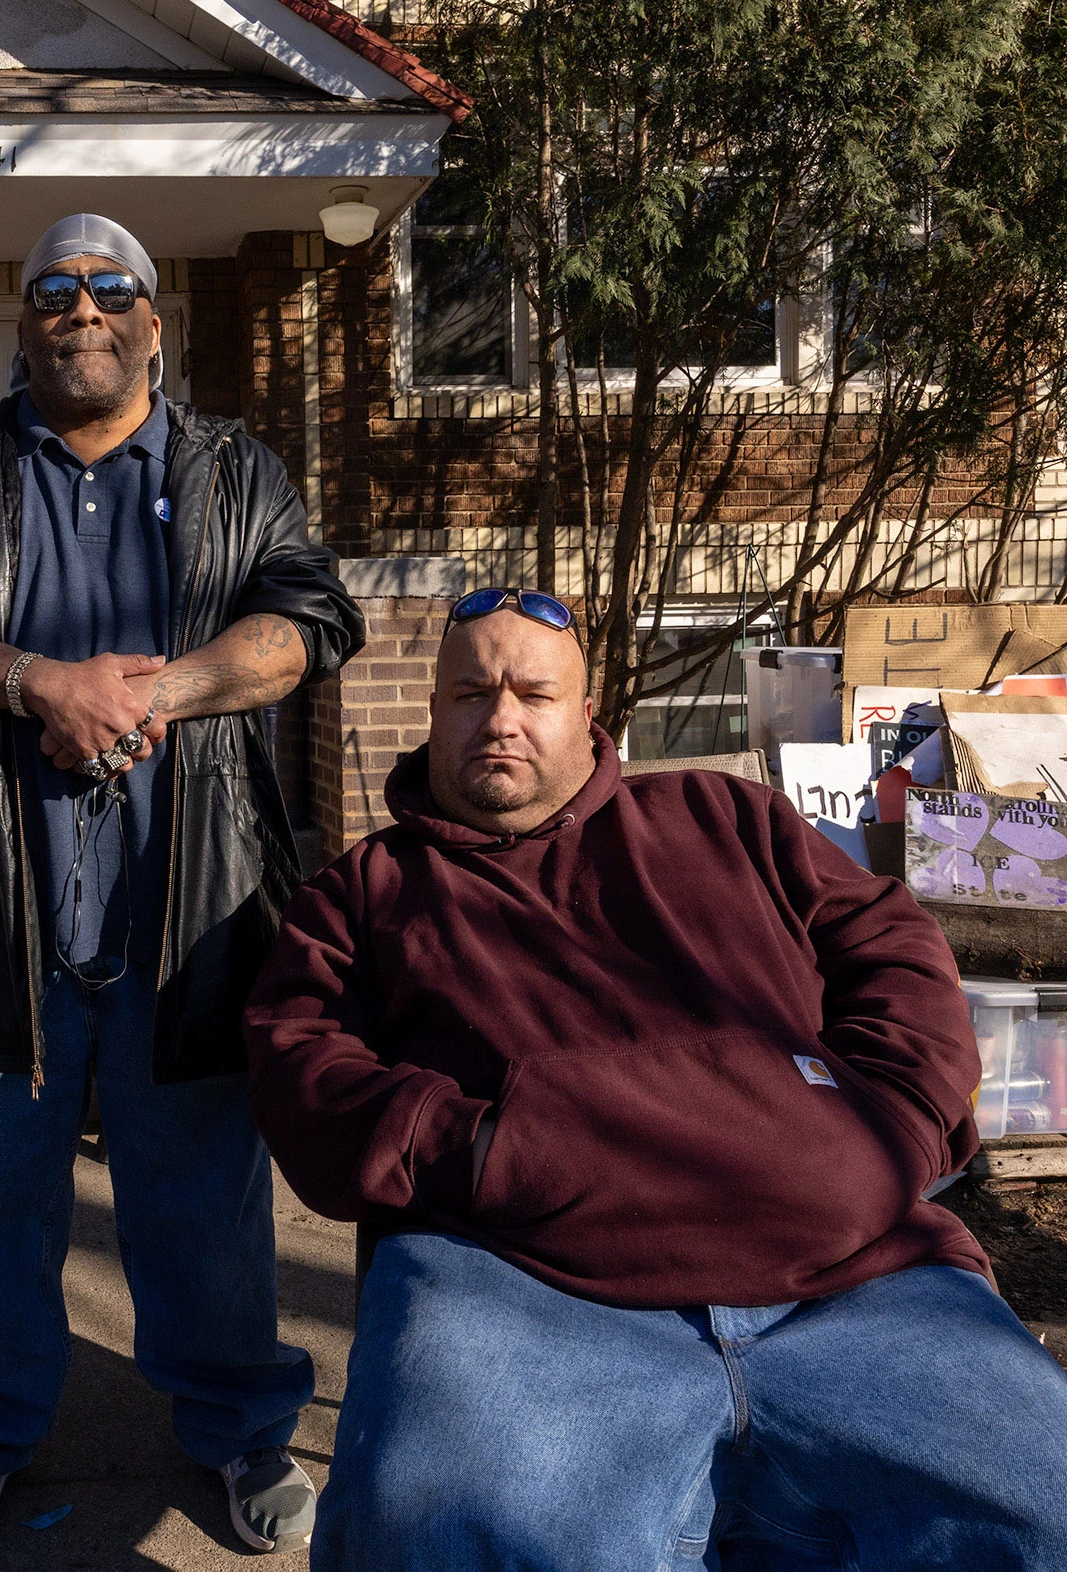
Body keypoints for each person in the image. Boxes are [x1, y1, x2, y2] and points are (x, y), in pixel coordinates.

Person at [244, 586, 1067, 1569]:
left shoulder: (724, 817)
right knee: (436, 1543)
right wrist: (488, 1148)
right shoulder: (362, 891)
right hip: (519, 1285)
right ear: (432, 712)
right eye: (468, 695)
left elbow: (892, 946)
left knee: (1042, 1511)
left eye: (530, 694)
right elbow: (299, 1058)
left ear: (584, 711)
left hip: (855, 1273)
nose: (498, 719)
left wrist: (885, 1125)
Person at [0, 213, 364, 1570]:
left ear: (151, 323)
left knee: (204, 1211)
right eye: (53, 292)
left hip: (188, 920)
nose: (80, 310)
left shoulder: (235, 469)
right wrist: (37, 683)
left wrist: (167, 688)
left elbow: (310, 617)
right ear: (25, 325)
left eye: (107, 288)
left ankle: (242, 1426)